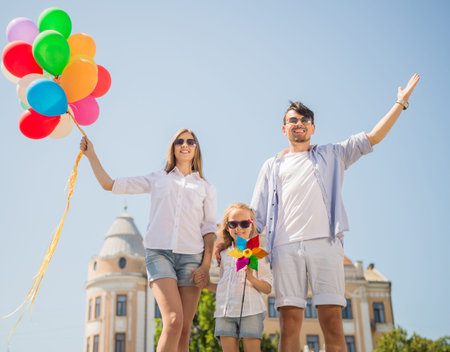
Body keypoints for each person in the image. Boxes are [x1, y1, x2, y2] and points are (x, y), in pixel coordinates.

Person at [217, 74, 420, 351]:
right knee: (289, 325)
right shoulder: (271, 166)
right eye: (293, 120)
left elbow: (373, 137)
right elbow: (256, 221)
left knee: (332, 322)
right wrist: (228, 246)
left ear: (313, 128)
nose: (298, 124)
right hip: (285, 249)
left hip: (326, 245)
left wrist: (400, 103)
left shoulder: (333, 154)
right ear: (283, 128)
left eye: (303, 121)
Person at [80, 128, 217, 352]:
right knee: (173, 320)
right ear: (172, 148)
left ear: (196, 148)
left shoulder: (206, 188)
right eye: (179, 141)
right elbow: (109, 184)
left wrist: (205, 265)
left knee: (184, 330)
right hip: (159, 255)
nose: (185, 144)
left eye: (190, 141)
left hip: (192, 258)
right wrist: (91, 155)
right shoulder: (157, 179)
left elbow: (209, 229)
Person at [207, 203, 272, 352]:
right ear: (227, 227)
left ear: (252, 225)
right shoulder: (223, 255)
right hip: (225, 312)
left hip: (250, 311)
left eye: (244, 223)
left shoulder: (258, 253)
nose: (239, 228)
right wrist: (207, 285)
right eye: (233, 224)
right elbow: (225, 286)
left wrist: (251, 277)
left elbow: (268, 288)